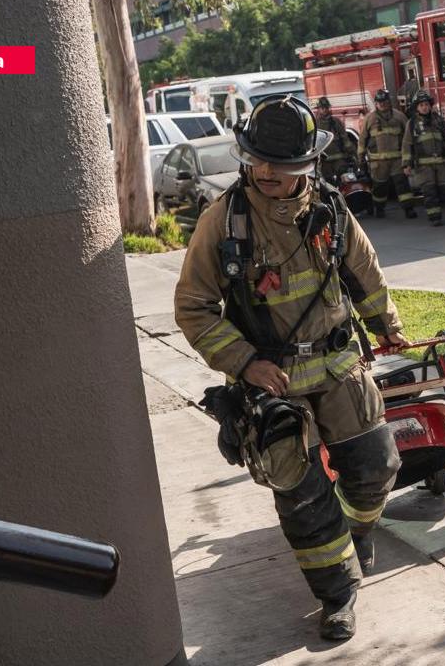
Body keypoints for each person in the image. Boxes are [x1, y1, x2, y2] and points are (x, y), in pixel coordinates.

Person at [174, 94, 407, 640]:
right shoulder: (224, 221)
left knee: (376, 469)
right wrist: (245, 363)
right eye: (257, 160)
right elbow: (193, 307)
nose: (266, 173)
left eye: (281, 165)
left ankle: (359, 530)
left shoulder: (330, 208)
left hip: (338, 368)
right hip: (272, 387)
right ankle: (338, 595)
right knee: (302, 498)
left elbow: (364, 272)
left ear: (308, 164)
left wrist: (385, 322)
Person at [402, 90, 445, 227]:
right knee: (429, 191)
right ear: (416, 107)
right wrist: (406, 164)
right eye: (421, 105)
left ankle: (437, 209)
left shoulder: (438, 120)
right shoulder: (412, 124)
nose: (425, 107)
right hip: (423, 166)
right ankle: (435, 217)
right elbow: (407, 145)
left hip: (441, 163)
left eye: (427, 104)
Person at [357, 88, 415, 218]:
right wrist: (360, 158)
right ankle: (379, 208)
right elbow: (362, 140)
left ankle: (408, 209)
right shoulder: (369, 118)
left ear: (389, 101)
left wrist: (409, 158)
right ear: (376, 103)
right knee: (379, 187)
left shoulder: (399, 116)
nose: (382, 104)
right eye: (379, 101)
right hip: (378, 162)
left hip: (397, 160)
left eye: (384, 101)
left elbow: (408, 137)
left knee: (402, 185)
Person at [313, 95, 355, 184]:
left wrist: (353, 153)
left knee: (344, 181)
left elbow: (345, 139)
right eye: (322, 108)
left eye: (326, 107)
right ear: (318, 109)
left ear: (329, 108)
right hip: (324, 162)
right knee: (328, 184)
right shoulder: (315, 124)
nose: (324, 110)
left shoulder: (336, 122)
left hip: (339, 160)